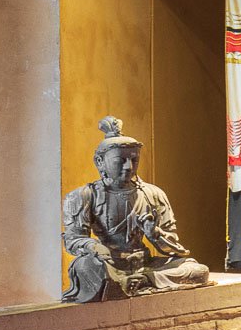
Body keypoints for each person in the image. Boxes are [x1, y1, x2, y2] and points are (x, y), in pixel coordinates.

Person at [61, 116, 209, 302]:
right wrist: (94, 246)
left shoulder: (153, 194)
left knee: (197, 270)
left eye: (134, 160)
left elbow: (174, 248)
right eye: (120, 160)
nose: (128, 167)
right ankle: (116, 282)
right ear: (100, 161)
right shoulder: (83, 196)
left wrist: (154, 233)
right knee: (84, 265)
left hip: (144, 265)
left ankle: (140, 281)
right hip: (108, 264)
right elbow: (73, 239)